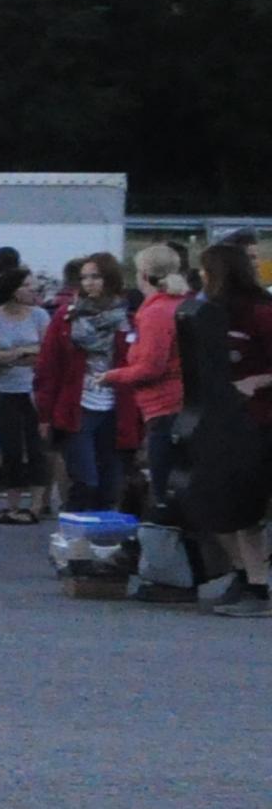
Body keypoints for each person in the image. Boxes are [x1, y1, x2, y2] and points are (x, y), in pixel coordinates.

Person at [174, 240, 272, 613]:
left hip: (259, 420)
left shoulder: (260, 312)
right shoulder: (212, 312)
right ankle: (242, 574)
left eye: (205, 269)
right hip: (223, 420)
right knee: (211, 501)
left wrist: (256, 382)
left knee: (246, 508)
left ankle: (258, 587)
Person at [104, 242, 195, 597]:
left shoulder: (155, 313)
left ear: (142, 274)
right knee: (172, 488)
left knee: (162, 492)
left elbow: (151, 367)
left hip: (163, 408)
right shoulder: (184, 305)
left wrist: (112, 376)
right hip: (182, 407)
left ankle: (169, 576)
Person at [34, 253, 138, 516]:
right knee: (85, 481)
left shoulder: (128, 319)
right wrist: (45, 414)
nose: (89, 283)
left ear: (110, 279)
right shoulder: (66, 317)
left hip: (116, 409)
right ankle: (75, 533)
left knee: (109, 487)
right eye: (84, 278)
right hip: (77, 407)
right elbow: (48, 367)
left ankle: (101, 537)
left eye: (96, 276)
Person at [0, 268, 51, 522]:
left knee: (36, 446)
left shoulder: (39, 315)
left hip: (32, 388)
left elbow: (45, 351)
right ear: (13, 290)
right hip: (3, 389)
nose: (33, 290)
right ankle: (12, 504)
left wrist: (8, 356)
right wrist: (19, 353)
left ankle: (37, 505)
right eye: (27, 286)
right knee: (10, 447)